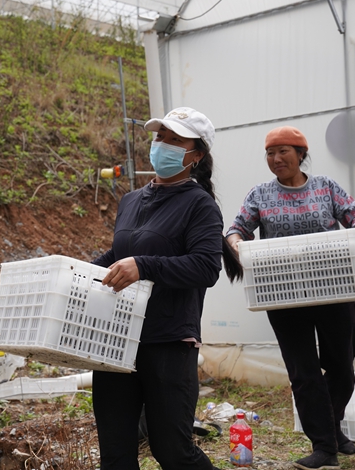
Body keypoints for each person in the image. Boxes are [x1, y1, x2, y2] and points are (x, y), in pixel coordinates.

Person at [92, 107, 242, 470]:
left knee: (172, 450)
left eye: (176, 140)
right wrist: (75, 271)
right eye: (160, 137)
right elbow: (120, 254)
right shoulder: (131, 200)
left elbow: (205, 267)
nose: (163, 145)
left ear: (196, 155)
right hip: (117, 338)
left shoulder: (200, 205)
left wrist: (144, 266)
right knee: (115, 452)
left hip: (168, 342)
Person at [225, 126, 355, 470]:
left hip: (334, 288)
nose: (276, 159)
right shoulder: (260, 194)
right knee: (304, 372)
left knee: (342, 365)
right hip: (284, 294)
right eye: (270, 153)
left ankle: (331, 425)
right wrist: (236, 243)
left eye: (283, 152)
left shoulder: (325, 187)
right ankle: (324, 447)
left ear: (301, 154)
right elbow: (237, 229)